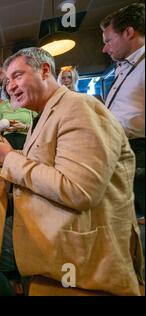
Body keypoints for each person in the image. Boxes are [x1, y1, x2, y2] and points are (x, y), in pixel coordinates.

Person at [0, 47, 143, 296]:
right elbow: (41, 166)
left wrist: (9, 157)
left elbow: (79, 190)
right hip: (45, 223)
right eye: (7, 81)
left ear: (45, 70)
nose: (10, 87)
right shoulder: (46, 112)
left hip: (70, 241)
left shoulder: (79, 107)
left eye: (17, 76)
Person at [100, 2, 145, 257]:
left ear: (128, 32)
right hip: (124, 151)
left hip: (140, 153)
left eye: (109, 40)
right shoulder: (126, 67)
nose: (105, 48)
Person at [0, 80, 37, 150]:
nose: (11, 86)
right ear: (5, 88)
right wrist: (1, 128)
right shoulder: (1, 106)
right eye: (7, 83)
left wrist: (24, 127)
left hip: (26, 140)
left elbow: (40, 127)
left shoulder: (29, 102)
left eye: (13, 83)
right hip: (6, 141)